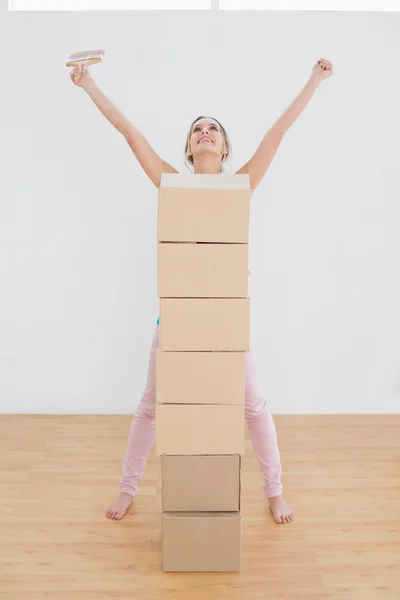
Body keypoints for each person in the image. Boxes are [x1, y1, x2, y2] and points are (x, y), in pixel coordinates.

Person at [69, 58, 333, 524]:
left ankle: (274, 492)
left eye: (213, 128)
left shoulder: (241, 186)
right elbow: (130, 132)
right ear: (189, 150)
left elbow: (278, 132)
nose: (205, 132)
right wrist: (88, 83)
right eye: (197, 129)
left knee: (253, 406)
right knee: (151, 406)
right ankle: (128, 489)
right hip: (176, 320)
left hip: (226, 320)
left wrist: (314, 80)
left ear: (226, 146)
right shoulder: (171, 183)